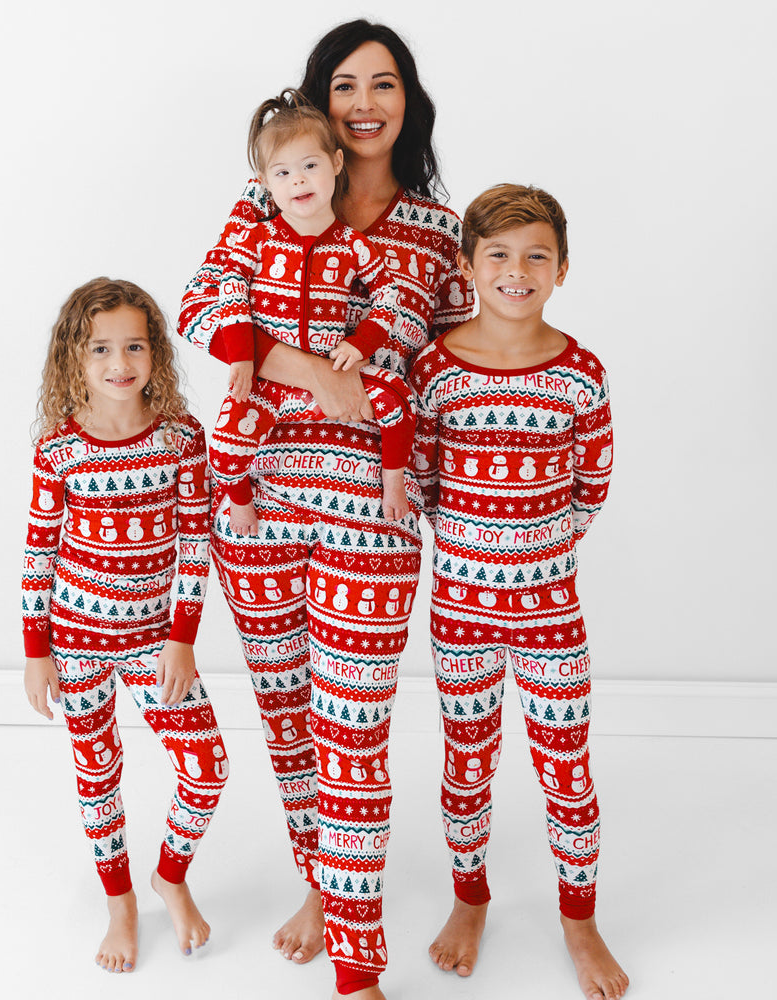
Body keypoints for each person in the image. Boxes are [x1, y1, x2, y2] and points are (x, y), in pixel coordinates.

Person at [178, 19, 472, 1000]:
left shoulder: (439, 231)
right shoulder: (265, 198)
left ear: (407, 102)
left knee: (353, 732)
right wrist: (310, 369)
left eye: (382, 83)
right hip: (253, 510)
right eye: (342, 84)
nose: (362, 102)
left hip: (369, 517)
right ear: (316, 102)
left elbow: (456, 367)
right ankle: (323, 883)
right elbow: (199, 306)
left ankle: (357, 967)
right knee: (289, 721)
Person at [409, 184, 629, 1000]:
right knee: (467, 762)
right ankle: (472, 898)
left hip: (549, 612)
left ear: (562, 269)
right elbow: (423, 477)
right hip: (460, 613)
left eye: (537, 254)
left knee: (565, 769)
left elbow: (592, 485)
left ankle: (580, 920)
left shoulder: (580, 372)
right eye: (497, 254)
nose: (517, 269)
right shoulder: (435, 369)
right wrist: (477, 552)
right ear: (466, 267)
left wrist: (534, 552)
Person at [22, 277, 228, 974]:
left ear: (156, 353)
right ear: (72, 359)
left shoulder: (180, 437)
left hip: (153, 644)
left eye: (135, 345)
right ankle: (120, 904)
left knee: (207, 769)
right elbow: (39, 550)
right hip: (75, 643)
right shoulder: (60, 447)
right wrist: (35, 651)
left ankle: (169, 876)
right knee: (97, 773)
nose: (120, 362)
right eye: (100, 348)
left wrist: (181, 638)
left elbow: (196, 543)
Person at [211, 89, 415, 534]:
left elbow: (389, 298)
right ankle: (242, 503)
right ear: (265, 182)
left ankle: (393, 484)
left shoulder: (353, 245)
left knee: (399, 405)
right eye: (283, 173)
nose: (299, 182)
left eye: (310, 166)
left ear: (336, 165)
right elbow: (227, 291)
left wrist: (360, 347)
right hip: (271, 382)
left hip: (338, 371)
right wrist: (243, 354)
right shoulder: (257, 239)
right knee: (226, 446)